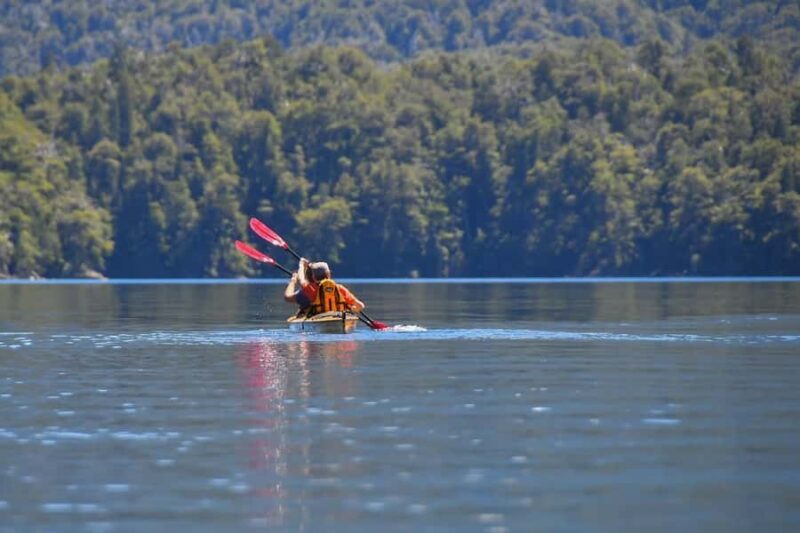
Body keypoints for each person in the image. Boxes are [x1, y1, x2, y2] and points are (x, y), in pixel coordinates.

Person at [284, 257, 364, 316]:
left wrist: (301, 265)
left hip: (319, 317)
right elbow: (360, 306)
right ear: (329, 274)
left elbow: (301, 279)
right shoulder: (340, 288)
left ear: (314, 278)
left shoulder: (311, 289)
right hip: (339, 316)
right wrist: (351, 308)